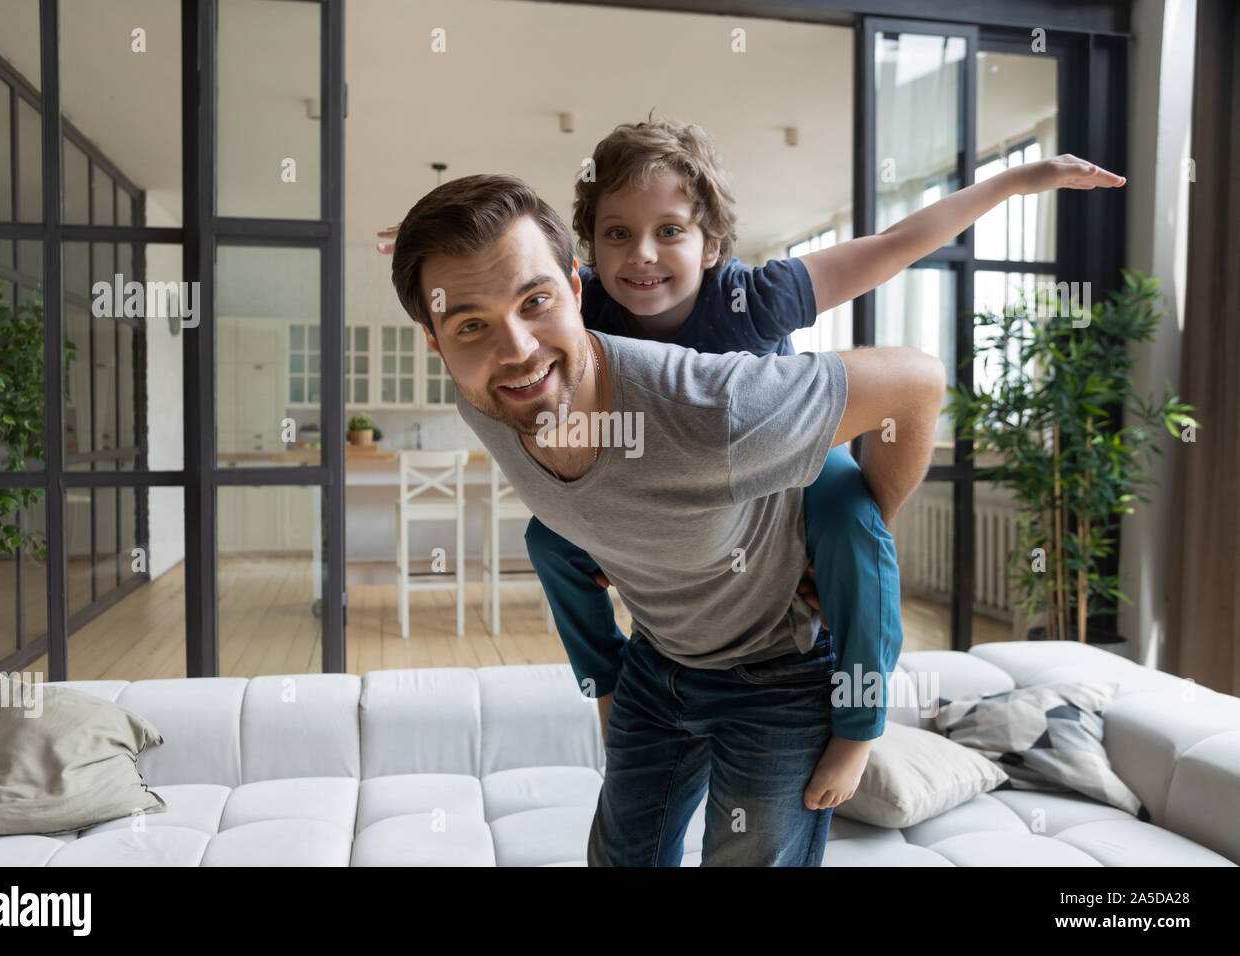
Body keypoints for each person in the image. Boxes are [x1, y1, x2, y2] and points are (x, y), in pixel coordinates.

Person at [377, 119, 1128, 826]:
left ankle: (859, 725)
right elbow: (504, 272)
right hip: (689, 506)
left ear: (712, 244)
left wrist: (1009, 185)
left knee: (850, 521)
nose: (642, 255)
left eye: (669, 232)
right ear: (587, 261)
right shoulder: (580, 308)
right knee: (549, 541)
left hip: (791, 479)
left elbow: (896, 245)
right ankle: (609, 683)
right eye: (618, 234)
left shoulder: (755, 294)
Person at [389, 173, 947, 865]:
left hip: (778, 673)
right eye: (471, 322)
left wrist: (856, 539)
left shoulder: (715, 412)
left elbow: (918, 381)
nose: (517, 350)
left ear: (575, 286)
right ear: (435, 341)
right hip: (659, 664)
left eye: (536, 301)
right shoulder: (488, 396)